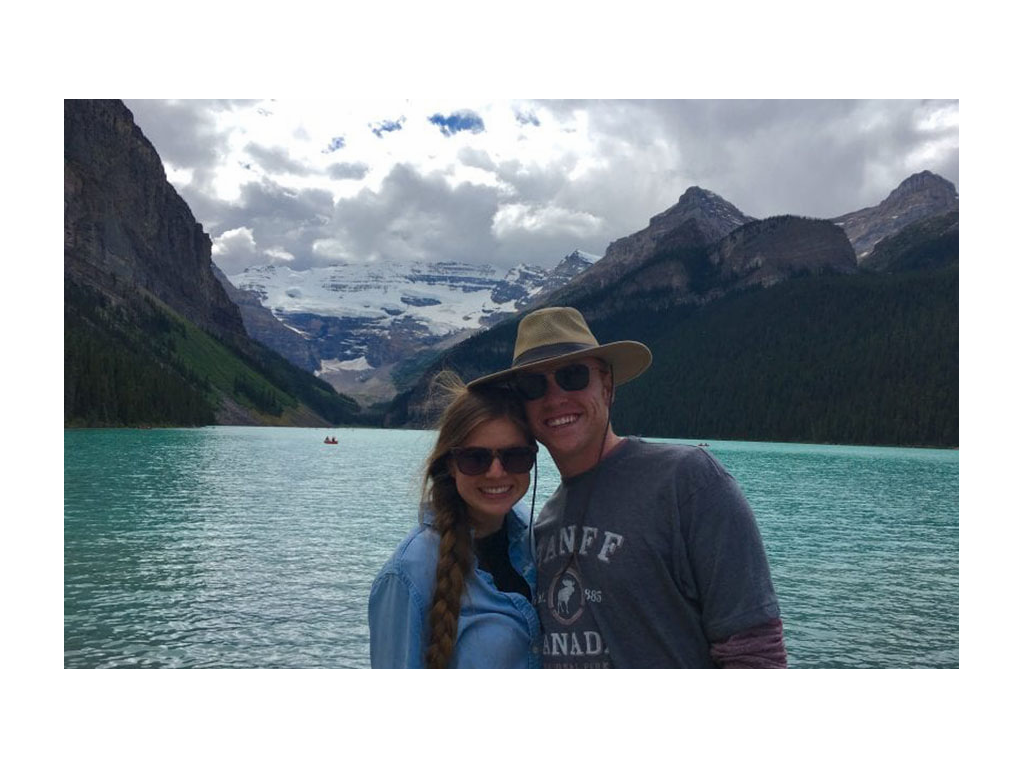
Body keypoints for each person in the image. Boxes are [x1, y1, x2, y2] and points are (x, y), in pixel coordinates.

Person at [468, 306, 787, 668]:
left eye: (573, 376)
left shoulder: (689, 481)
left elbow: (753, 649)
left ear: (606, 386)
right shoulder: (543, 522)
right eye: (533, 385)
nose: (555, 398)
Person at [368, 373, 542, 668]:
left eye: (515, 456)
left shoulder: (530, 532)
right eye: (475, 459)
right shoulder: (408, 574)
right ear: (450, 464)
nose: (497, 473)